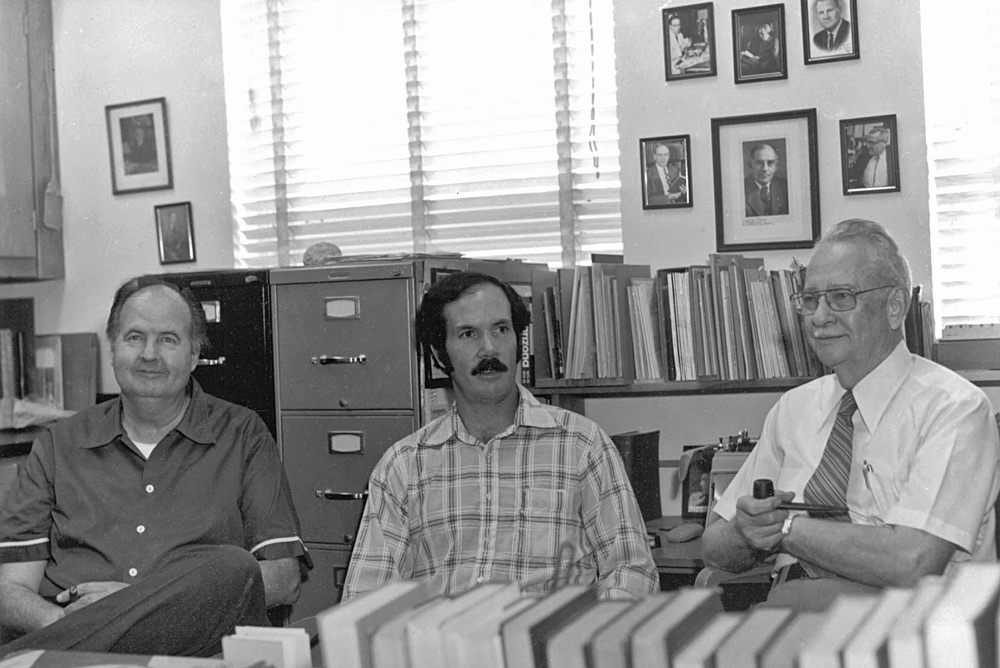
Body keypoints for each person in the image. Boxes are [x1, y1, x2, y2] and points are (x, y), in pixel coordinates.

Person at [0, 277, 311, 657]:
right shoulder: (58, 444)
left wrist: (134, 609)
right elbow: (10, 589)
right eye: (134, 337)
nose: (149, 354)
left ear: (194, 355)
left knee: (232, 566)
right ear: (112, 349)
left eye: (168, 339)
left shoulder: (244, 434)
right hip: (78, 652)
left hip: (196, 653)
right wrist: (79, 627)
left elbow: (284, 578)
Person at [701, 219, 1000, 612]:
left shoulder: (954, 409)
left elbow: (911, 562)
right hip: (789, 614)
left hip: (908, 628)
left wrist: (785, 529)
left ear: (895, 306)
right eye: (810, 300)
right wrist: (747, 529)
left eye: (841, 297)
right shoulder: (793, 410)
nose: (819, 317)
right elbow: (714, 546)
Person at [343, 271, 658, 601]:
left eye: (501, 329)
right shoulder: (404, 465)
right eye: (468, 334)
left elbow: (632, 569)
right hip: (443, 645)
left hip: (547, 643)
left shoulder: (581, 445)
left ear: (518, 342)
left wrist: (584, 642)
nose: (489, 348)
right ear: (439, 355)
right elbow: (365, 597)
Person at [744, 143, 789, 216]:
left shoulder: (786, 188)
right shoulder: (740, 190)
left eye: (770, 163)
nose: (765, 169)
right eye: (759, 163)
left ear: (776, 166)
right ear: (751, 165)